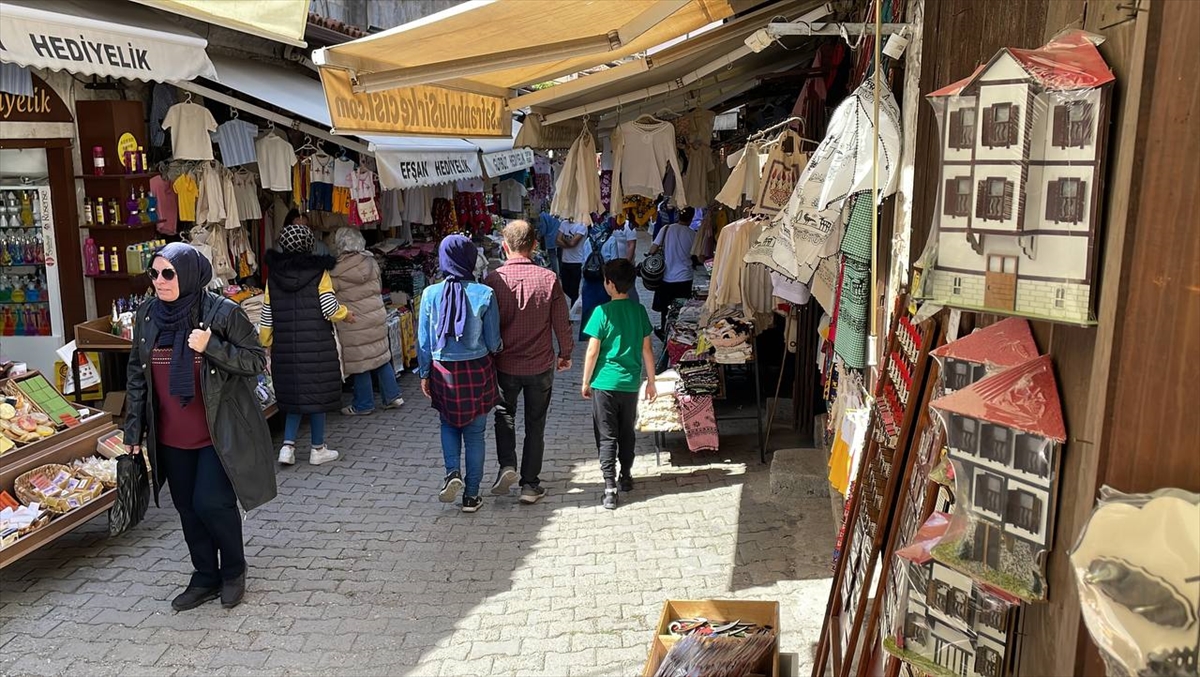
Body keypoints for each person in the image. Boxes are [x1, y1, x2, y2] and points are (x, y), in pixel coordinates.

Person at [124, 243, 275, 611]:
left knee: (211, 502)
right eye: (154, 274)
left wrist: (212, 347)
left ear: (189, 274)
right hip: (171, 436)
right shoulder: (148, 315)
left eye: (168, 274)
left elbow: (256, 361)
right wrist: (132, 433)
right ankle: (205, 575)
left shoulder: (222, 312)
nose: (159, 281)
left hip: (216, 432)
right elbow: (136, 377)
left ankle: (234, 570)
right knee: (186, 507)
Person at [484, 220, 574, 504]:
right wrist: (566, 353)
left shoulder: (493, 280)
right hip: (539, 365)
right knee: (536, 424)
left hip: (504, 365)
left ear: (504, 246)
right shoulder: (548, 279)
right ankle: (530, 485)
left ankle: (507, 465)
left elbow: (487, 326)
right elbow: (562, 322)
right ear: (534, 245)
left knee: (504, 415)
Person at [418, 235, 502, 513]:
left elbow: (424, 342)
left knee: (448, 424)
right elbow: (493, 342)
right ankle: (471, 495)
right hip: (476, 369)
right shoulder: (484, 293)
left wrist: (424, 373)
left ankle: (452, 473)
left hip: (443, 370)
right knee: (476, 434)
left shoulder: (430, 294)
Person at [261, 223, 353, 467]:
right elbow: (329, 309)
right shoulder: (319, 273)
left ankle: (287, 448)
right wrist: (346, 314)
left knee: (293, 398)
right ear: (309, 245)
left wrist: (266, 342)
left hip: (285, 348)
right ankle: (317, 448)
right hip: (316, 346)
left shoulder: (273, 276)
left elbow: (266, 314)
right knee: (316, 398)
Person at [581, 259, 658, 510]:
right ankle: (626, 476)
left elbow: (592, 351)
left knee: (606, 437)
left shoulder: (601, 312)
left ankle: (609, 487)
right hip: (629, 385)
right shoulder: (639, 311)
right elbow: (647, 349)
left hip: (604, 384)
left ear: (609, 284)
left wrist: (586, 382)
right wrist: (651, 382)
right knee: (626, 432)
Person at [330, 227, 404, 416]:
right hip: (376, 315)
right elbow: (378, 286)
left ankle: (363, 404)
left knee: (361, 362)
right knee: (380, 355)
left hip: (354, 321)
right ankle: (393, 395)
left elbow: (330, 296)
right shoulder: (371, 262)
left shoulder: (335, 271)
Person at [649, 206, 699, 334]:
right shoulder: (693, 234)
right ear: (691, 217)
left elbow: (652, 250)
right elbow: (698, 256)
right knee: (681, 309)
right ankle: (678, 334)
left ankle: (664, 330)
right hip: (685, 277)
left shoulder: (666, 229)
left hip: (667, 276)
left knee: (666, 309)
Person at [557, 218, 588, 306]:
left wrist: (563, 239)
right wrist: (568, 243)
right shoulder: (563, 223)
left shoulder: (582, 225)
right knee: (565, 288)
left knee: (574, 290)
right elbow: (557, 240)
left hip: (577, 262)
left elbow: (573, 243)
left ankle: (573, 313)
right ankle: (574, 308)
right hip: (565, 261)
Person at [537, 209, 561, 275]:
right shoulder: (557, 213)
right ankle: (560, 273)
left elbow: (543, 229)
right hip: (560, 237)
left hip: (550, 238)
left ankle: (556, 273)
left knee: (552, 256)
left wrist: (539, 234)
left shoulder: (543, 215)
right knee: (559, 256)